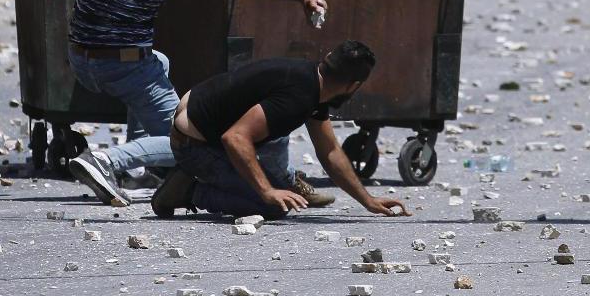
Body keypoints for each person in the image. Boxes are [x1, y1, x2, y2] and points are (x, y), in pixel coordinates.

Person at [44, 0, 327, 207]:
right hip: (124, 67)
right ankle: (107, 161)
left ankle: (139, 170)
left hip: (81, 58)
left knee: (159, 62)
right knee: (187, 140)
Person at [152, 41, 411, 220]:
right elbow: (235, 137)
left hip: (198, 129)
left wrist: (368, 201)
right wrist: (266, 191)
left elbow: (330, 151)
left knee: (277, 193)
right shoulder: (298, 97)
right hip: (195, 147)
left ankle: (197, 182)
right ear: (353, 86)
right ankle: (186, 191)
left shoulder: (313, 83)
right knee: (272, 206)